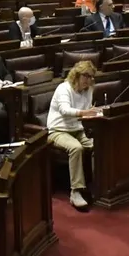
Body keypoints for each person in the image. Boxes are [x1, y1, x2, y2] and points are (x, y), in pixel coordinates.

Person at [46, 60, 100, 210]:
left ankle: (98, 184)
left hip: (78, 129)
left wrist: (97, 113)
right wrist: (85, 113)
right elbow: (65, 110)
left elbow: (87, 111)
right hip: (58, 131)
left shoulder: (88, 89)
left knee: (99, 145)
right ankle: (76, 191)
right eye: (86, 76)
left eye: (91, 77)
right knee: (76, 148)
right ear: (76, 75)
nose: (88, 81)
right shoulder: (64, 88)